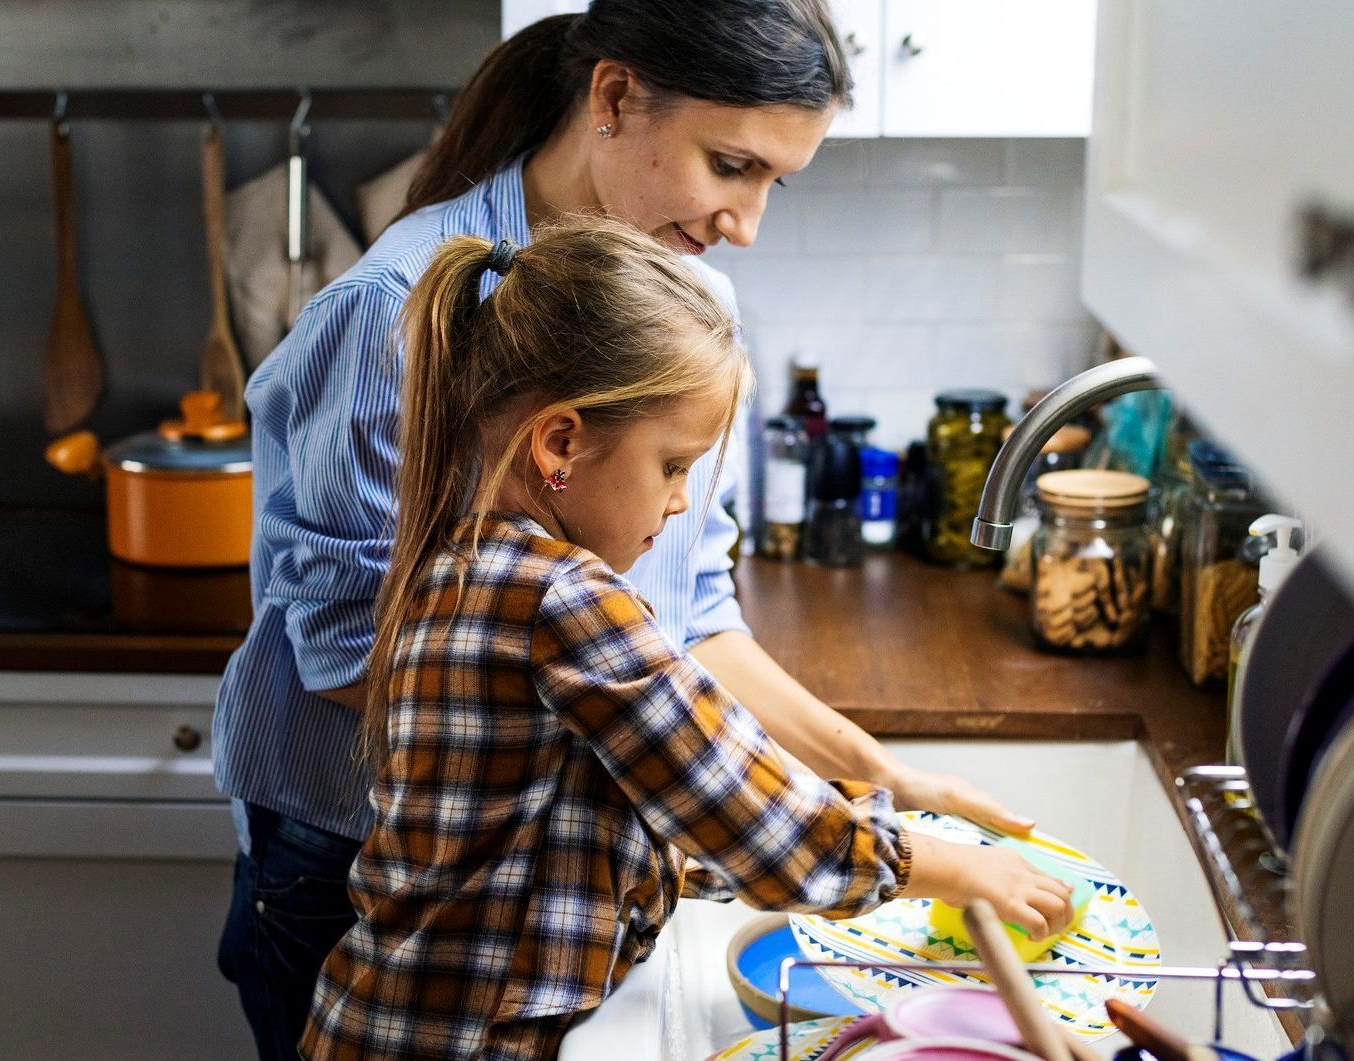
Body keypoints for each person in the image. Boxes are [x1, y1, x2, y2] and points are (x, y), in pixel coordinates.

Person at [214, 5, 1037, 1057]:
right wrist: (685, 776)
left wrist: (878, 773)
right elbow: (347, 656)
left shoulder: (688, 311)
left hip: (540, 894)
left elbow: (692, 620)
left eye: (774, 181)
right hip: (363, 879)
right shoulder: (391, 309)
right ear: (612, 99)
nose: (745, 222)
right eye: (730, 164)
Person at [300, 219, 1075, 1061]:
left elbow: (614, 826)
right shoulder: (562, 598)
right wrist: (951, 868)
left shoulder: (467, 561)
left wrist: (871, 813)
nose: (677, 503)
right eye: (672, 465)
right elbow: (747, 810)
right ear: (560, 442)